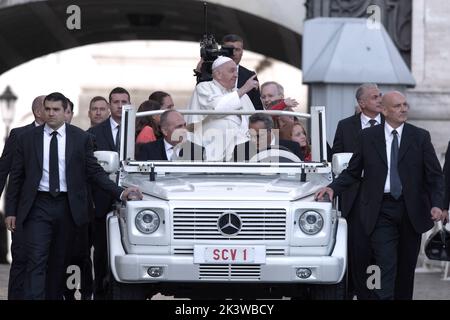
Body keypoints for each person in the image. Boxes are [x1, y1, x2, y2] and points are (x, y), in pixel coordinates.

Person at [4, 92, 141, 300]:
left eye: (56, 109)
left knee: (59, 263)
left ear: (65, 111)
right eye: (47, 109)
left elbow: (94, 172)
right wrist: (11, 211)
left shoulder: (81, 138)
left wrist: (121, 192)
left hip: (67, 207)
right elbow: (16, 177)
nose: (51, 114)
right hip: (37, 206)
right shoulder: (27, 138)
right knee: (36, 259)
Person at [315, 91, 445, 300]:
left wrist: (437, 204)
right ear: (384, 110)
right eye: (397, 106)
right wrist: (333, 188)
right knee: (385, 264)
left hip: (410, 211)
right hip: (379, 210)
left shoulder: (420, 137)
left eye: (405, 105)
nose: (403, 109)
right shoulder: (367, 137)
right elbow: (353, 171)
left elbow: (435, 176)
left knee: (405, 268)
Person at [331, 83, 384, 299]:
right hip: (354, 200)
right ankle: (354, 291)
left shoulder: (391, 126)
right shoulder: (345, 126)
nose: (380, 99)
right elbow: (336, 159)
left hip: (383, 200)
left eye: (380, 95)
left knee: (379, 253)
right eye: (374, 97)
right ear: (361, 103)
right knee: (357, 252)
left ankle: (374, 293)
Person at [0, 95, 46, 299]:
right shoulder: (19, 134)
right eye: (49, 108)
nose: (55, 112)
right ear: (38, 112)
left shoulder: (64, 135)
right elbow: (4, 172)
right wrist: (9, 211)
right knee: (20, 259)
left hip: (49, 210)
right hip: (21, 210)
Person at [87, 86, 130, 299]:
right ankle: (99, 294)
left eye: (124, 102)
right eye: (116, 102)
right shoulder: (93, 133)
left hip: (133, 201)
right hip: (101, 201)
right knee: (102, 253)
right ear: (110, 104)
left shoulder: (138, 130)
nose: (120, 106)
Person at [187, 56, 257, 161]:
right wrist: (244, 89)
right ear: (218, 74)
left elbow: (254, 119)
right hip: (211, 144)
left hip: (239, 148)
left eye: (236, 71)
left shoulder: (241, 93)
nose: (236, 75)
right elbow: (217, 109)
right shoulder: (204, 87)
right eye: (232, 71)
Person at [136, 110, 204, 161]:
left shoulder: (198, 151)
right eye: (179, 127)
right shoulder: (148, 150)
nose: (184, 130)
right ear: (165, 131)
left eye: (184, 125)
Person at [232, 113, 303, 162]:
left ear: (270, 131)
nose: (254, 140)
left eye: (258, 136)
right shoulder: (240, 150)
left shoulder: (292, 147)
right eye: (251, 135)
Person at [221, 34, 263, 110]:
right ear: (222, 51)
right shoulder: (211, 72)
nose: (233, 53)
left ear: (242, 52)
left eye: (237, 50)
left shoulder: (250, 76)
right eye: (229, 50)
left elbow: (257, 107)